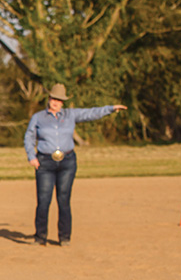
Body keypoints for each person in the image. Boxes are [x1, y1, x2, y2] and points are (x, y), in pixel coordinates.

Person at [23, 83, 126, 247]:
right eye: (53, 99)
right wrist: (31, 157)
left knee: (63, 200)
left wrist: (110, 108)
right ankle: (40, 237)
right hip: (45, 163)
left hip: (67, 162)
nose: (55, 102)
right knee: (43, 201)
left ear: (63, 102)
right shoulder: (38, 117)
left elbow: (91, 113)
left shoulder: (70, 115)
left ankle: (64, 238)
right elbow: (29, 137)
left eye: (59, 100)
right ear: (49, 99)